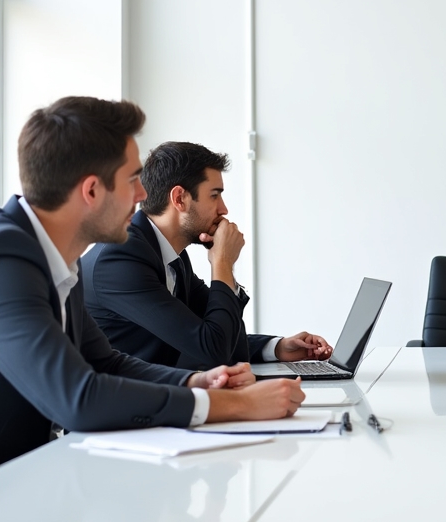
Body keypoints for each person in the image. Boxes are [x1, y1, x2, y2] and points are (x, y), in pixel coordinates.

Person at [0, 97, 304, 469]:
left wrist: (196, 382)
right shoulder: (3, 258)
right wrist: (233, 405)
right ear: (91, 191)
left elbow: (105, 363)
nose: (142, 195)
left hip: (35, 475)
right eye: (131, 180)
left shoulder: (58, 259)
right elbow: (78, 398)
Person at [83, 141, 332, 371]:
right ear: (179, 199)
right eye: (215, 195)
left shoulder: (171, 255)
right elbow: (213, 349)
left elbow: (218, 335)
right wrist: (222, 262)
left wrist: (276, 348)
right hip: (119, 412)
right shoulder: (120, 259)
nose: (224, 209)